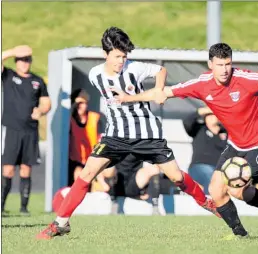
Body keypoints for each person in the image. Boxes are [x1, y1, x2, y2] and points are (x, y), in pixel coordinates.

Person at [114, 42, 258, 240]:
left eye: (228, 64)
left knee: (236, 189)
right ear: (210, 65)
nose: (225, 70)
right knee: (216, 190)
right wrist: (127, 98)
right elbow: (162, 93)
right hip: (236, 145)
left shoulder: (247, 78)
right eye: (220, 65)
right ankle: (240, 234)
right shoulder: (201, 84)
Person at [36, 27, 220, 240]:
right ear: (105, 54)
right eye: (116, 56)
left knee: (177, 176)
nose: (120, 61)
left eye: (124, 56)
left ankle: (206, 202)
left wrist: (159, 89)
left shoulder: (134, 68)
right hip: (116, 136)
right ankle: (61, 223)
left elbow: (160, 70)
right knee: (86, 174)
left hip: (147, 135)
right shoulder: (96, 75)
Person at [1, 45, 51, 215]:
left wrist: (41, 110)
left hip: (30, 131)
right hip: (11, 130)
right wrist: (13, 51)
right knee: (7, 169)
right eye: (21, 60)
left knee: (25, 168)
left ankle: (24, 207)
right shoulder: (8, 76)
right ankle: (1, 206)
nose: (24, 63)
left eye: (27, 59)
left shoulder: (37, 81)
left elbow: (46, 103)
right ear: (16, 62)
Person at [68, 88, 112, 192]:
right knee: (79, 174)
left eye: (83, 103)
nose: (80, 106)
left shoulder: (95, 118)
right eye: (78, 103)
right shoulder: (69, 119)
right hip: (76, 160)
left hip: (94, 158)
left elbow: (103, 138)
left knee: (107, 175)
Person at [184, 106, 227, 194]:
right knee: (213, 179)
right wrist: (206, 109)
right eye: (208, 115)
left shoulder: (226, 132)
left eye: (213, 114)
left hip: (220, 170)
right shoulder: (199, 129)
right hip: (199, 167)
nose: (211, 117)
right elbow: (187, 121)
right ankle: (210, 204)